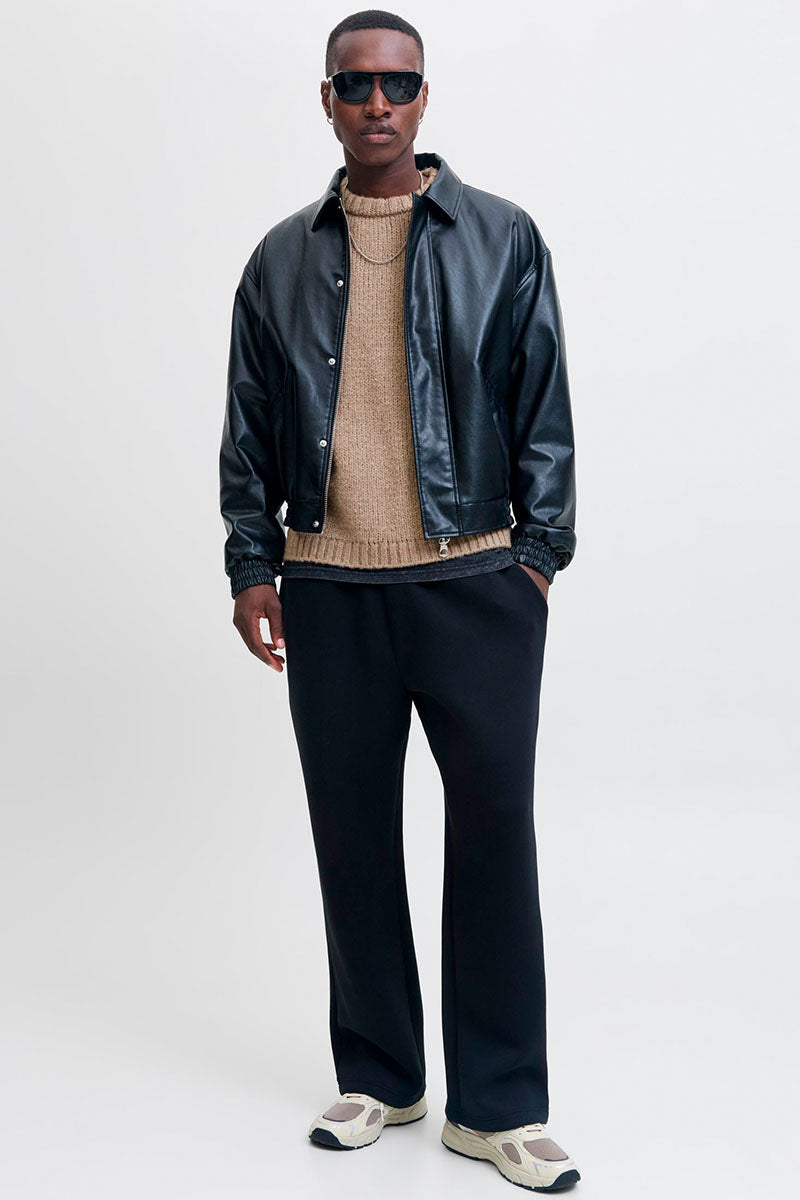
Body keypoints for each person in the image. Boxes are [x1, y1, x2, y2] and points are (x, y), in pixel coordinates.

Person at [219, 8, 580, 1192]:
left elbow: (542, 406)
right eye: (354, 84)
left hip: (475, 583)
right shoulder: (278, 259)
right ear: (325, 99)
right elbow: (247, 428)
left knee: (492, 837)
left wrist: (534, 559)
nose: (376, 103)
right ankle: (381, 1074)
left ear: (424, 98)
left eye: (397, 83)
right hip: (330, 588)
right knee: (352, 835)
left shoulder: (501, 236)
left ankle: (499, 1106)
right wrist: (252, 567)